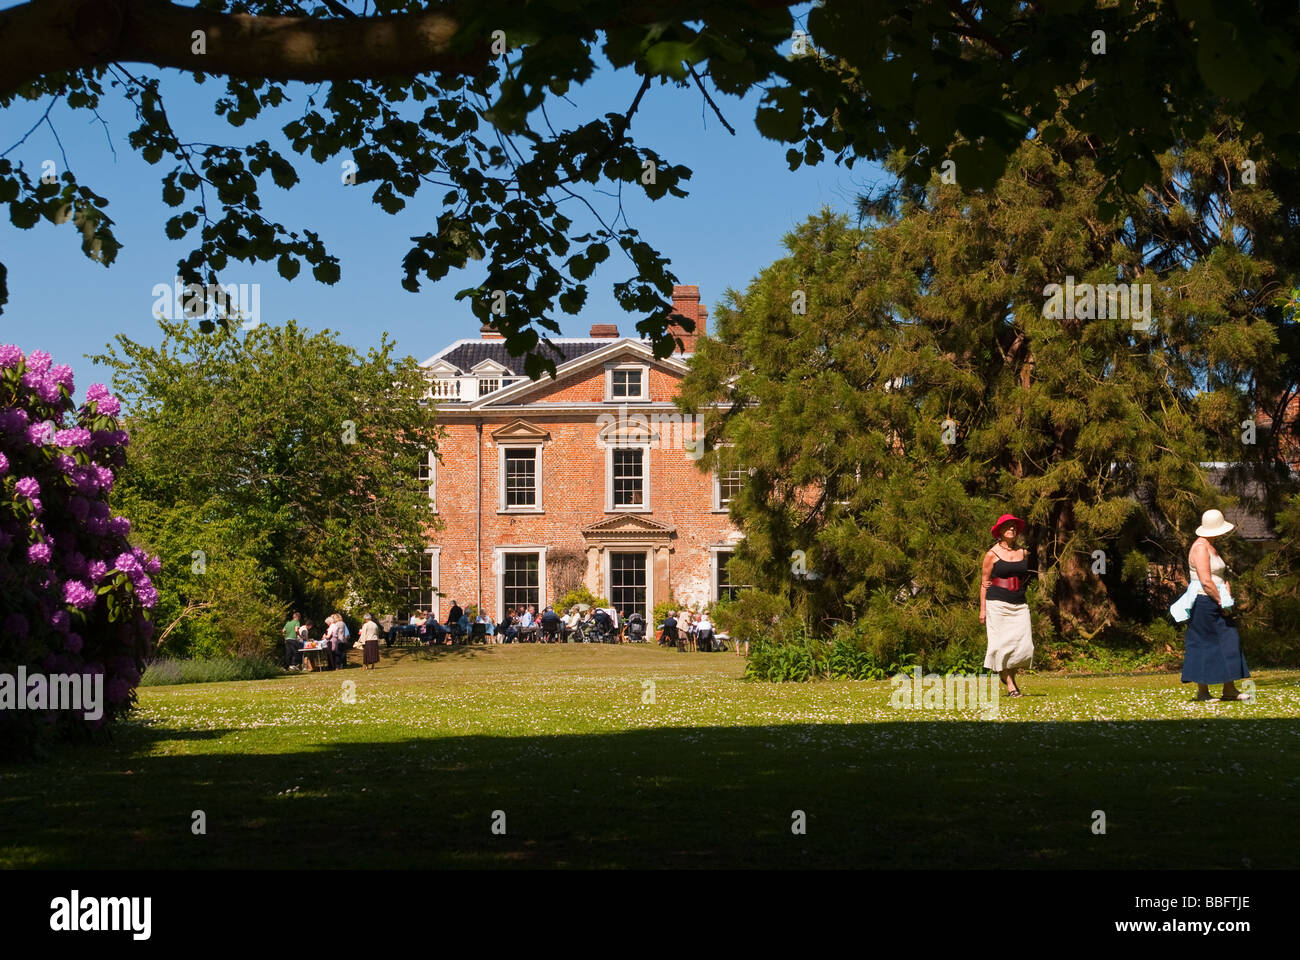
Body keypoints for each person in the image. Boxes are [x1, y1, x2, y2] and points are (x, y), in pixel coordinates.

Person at [1183, 509, 1250, 702]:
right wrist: (1221, 601)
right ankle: (1203, 692)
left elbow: (1218, 575)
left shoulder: (1211, 546)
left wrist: (1225, 590)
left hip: (1217, 599)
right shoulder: (1200, 548)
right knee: (1203, 644)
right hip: (1204, 602)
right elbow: (1205, 580)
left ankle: (1229, 689)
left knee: (1230, 641)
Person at [980, 513, 1034, 698]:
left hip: (1019, 602)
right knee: (1001, 644)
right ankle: (1010, 684)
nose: (1012, 529)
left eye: (1014, 526)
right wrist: (982, 610)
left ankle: (1006, 674)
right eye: (1007, 526)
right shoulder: (991, 554)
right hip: (997, 602)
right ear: (1000, 531)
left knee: (1023, 645)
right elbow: (984, 582)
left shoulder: (1023, 552)